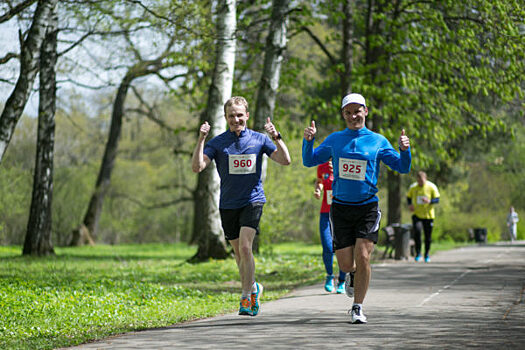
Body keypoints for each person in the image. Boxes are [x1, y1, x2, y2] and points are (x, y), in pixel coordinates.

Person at [302, 93, 411, 324]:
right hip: (340, 208)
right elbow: (309, 160)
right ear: (343, 114)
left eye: (357, 111)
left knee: (363, 256)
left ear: (366, 111)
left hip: (367, 207)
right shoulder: (335, 139)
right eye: (348, 112)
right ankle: (352, 275)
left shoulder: (378, 141)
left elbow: (402, 167)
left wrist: (404, 150)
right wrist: (309, 141)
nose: (353, 116)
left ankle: (357, 307)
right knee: (346, 264)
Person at [192, 96, 291, 316]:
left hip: (253, 200)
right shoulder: (217, 143)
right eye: (231, 116)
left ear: (247, 115)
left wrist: (277, 137)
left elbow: (285, 160)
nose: (236, 119)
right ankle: (254, 285)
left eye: (239, 115)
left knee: (246, 248)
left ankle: (247, 296)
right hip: (228, 204)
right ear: (226, 118)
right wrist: (201, 139)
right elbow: (198, 166)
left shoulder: (259, 139)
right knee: (238, 253)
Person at [314, 160, 350, 294]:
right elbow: (320, 181)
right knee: (328, 247)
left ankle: (342, 280)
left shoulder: (344, 165)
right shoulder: (322, 166)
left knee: (342, 247)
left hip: (341, 213)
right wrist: (318, 189)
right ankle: (329, 276)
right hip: (325, 213)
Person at [406, 171, 440, 263]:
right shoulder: (413, 187)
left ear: (425, 179)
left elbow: (437, 199)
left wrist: (429, 201)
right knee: (417, 232)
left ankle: (427, 254)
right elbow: (408, 197)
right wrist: (410, 205)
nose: (420, 183)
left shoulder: (431, 186)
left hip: (428, 215)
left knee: (427, 236)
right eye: (419, 181)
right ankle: (418, 253)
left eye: (422, 181)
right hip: (417, 214)